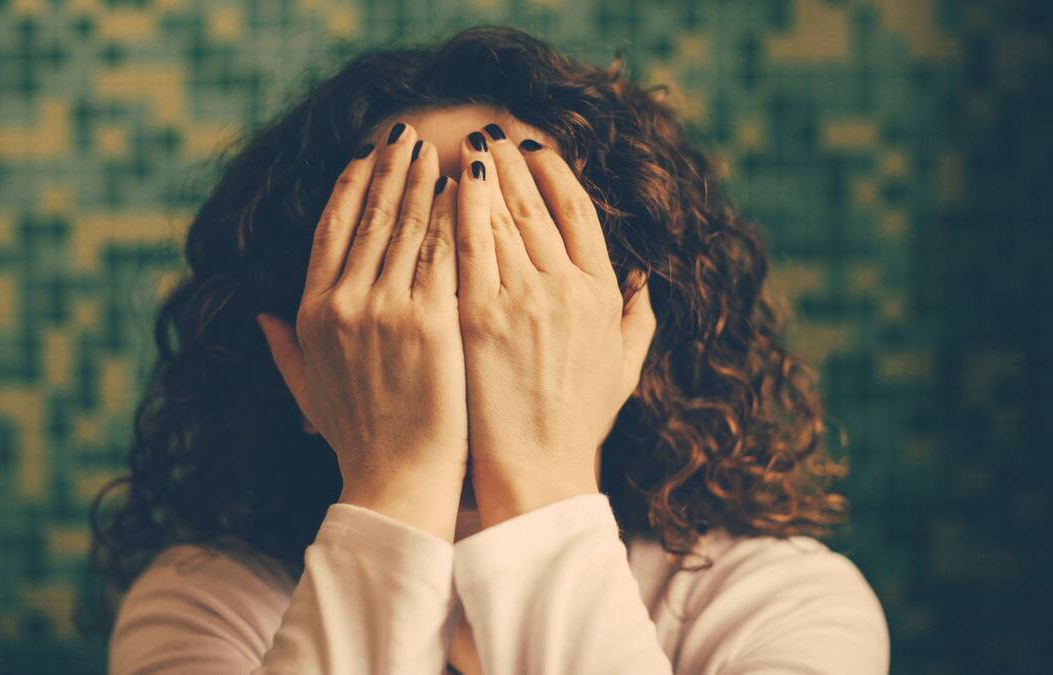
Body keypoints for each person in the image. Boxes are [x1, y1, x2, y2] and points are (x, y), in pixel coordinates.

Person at [83, 25, 889, 675]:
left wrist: (538, 476)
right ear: (300, 357)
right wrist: (397, 481)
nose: (461, 341)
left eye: (522, 286)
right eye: (396, 287)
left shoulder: (780, 608)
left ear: (628, 335)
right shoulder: (208, 609)